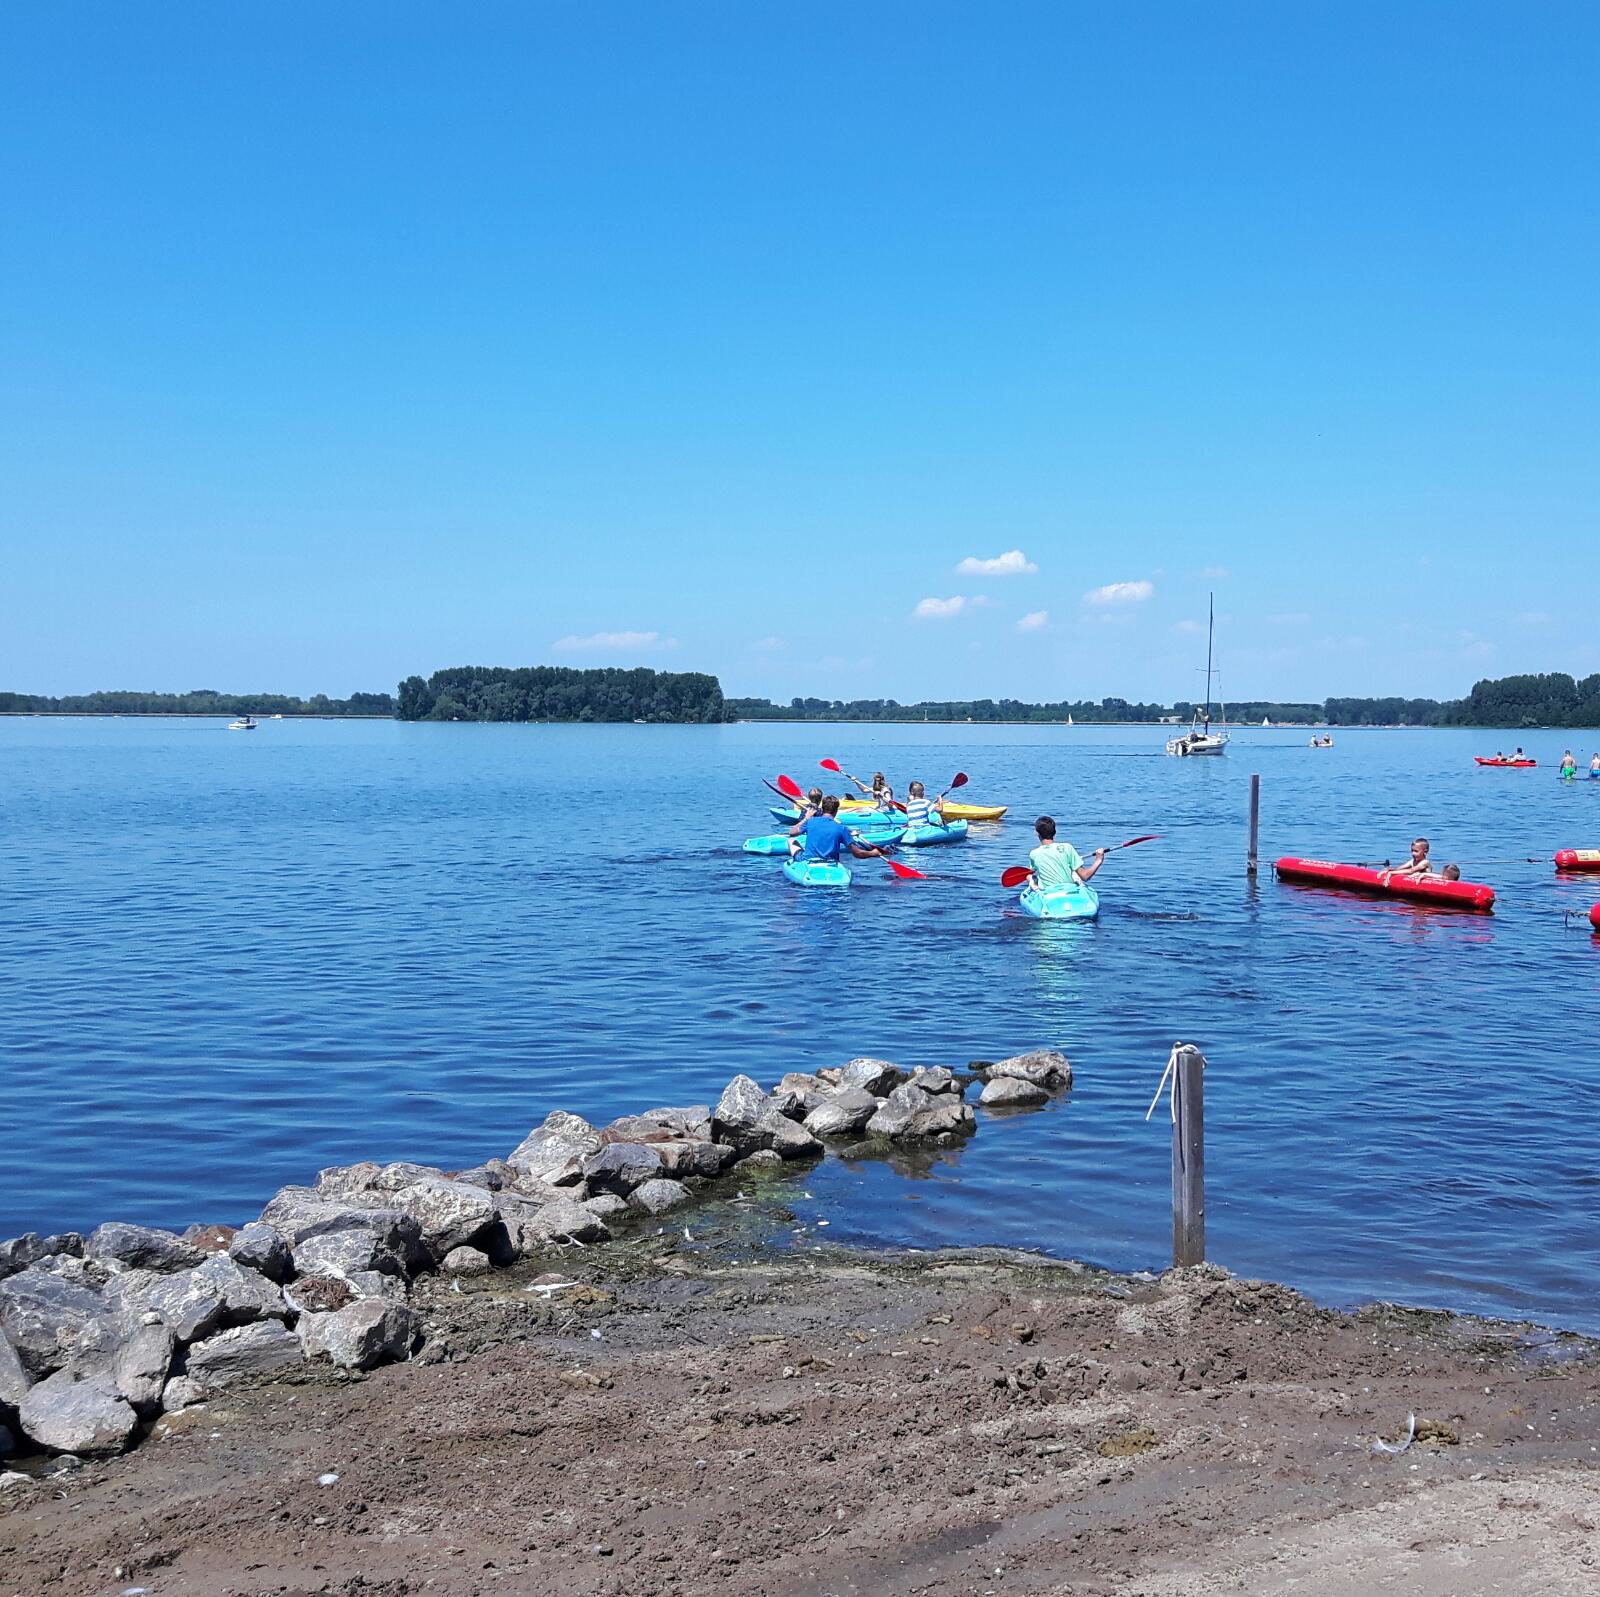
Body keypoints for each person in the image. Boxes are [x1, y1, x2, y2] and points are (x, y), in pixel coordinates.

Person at [788, 795, 891, 864]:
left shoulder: (811, 821)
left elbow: (792, 832)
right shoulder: (841, 828)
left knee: (791, 840)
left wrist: (806, 817)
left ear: (822, 809)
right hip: (830, 863)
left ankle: (794, 863)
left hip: (808, 861)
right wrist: (873, 853)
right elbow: (858, 853)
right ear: (836, 811)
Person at [1028, 815, 1105, 892]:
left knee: (1030, 877)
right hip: (1068, 892)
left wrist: (1029, 879)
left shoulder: (1034, 854)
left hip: (1048, 895)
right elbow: (1085, 876)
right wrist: (1098, 860)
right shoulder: (1067, 848)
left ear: (1037, 833)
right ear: (1055, 832)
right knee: (1074, 874)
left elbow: (1031, 872)